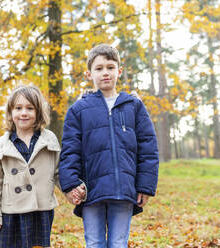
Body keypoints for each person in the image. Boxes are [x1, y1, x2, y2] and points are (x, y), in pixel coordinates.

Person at [59, 44, 159, 248]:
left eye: (110, 67)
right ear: (89, 74)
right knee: (94, 242)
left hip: (123, 189)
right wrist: (70, 185)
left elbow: (148, 149)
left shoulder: (134, 106)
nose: (105, 73)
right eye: (99, 68)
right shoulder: (78, 110)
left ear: (119, 71)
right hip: (91, 191)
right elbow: (70, 151)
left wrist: (145, 186)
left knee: (118, 243)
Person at [0, 85, 83, 248]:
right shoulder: (1, 145)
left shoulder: (49, 139)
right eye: (18, 108)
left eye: (30, 108)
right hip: (10, 211)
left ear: (38, 112)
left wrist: (71, 189)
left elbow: (58, 172)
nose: (24, 113)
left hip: (40, 210)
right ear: (10, 112)